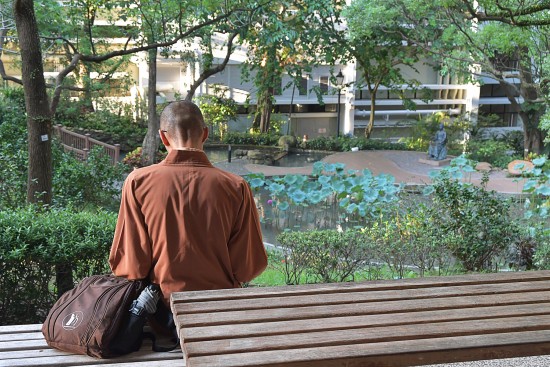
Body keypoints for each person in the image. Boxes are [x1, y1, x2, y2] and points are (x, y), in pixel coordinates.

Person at [109, 100, 268, 333]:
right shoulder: (236, 186)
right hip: (221, 315)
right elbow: (248, 267)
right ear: (205, 134)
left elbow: (132, 266)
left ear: (163, 138)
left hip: (162, 318)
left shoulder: (138, 183)